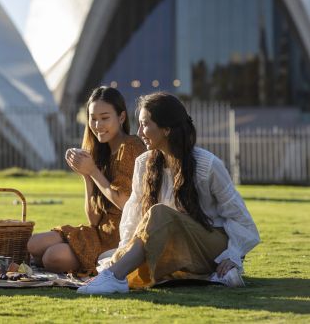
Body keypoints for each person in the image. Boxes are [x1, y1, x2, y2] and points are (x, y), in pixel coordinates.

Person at [77, 92, 260, 295]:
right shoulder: (144, 163)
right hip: (173, 246)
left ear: (166, 129)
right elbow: (134, 215)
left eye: (145, 124)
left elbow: (242, 220)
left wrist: (232, 255)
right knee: (116, 252)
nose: (139, 132)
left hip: (209, 247)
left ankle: (114, 277)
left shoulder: (207, 164)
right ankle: (115, 273)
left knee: (160, 213)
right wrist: (121, 253)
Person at [27, 86, 145, 275]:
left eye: (105, 118)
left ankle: (60, 263)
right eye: (93, 118)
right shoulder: (102, 152)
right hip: (99, 232)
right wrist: (86, 176)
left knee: (52, 257)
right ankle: (46, 261)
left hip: (121, 237)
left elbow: (124, 202)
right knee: (33, 244)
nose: (97, 125)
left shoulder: (130, 146)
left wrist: (93, 171)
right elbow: (94, 219)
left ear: (121, 117)